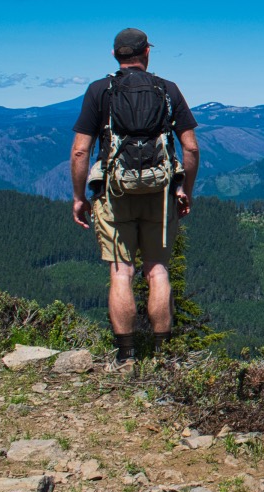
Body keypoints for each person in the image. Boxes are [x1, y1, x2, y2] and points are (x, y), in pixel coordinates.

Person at [70, 28, 200, 371]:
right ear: (146, 53)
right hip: (159, 194)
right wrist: (183, 187)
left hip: (115, 194)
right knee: (157, 271)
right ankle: (162, 355)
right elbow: (190, 147)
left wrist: (79, 196)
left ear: (115, 56)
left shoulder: (100, 91)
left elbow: (81, 150)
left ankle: (126, 355)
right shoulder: (167, 90)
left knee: (121, 273)